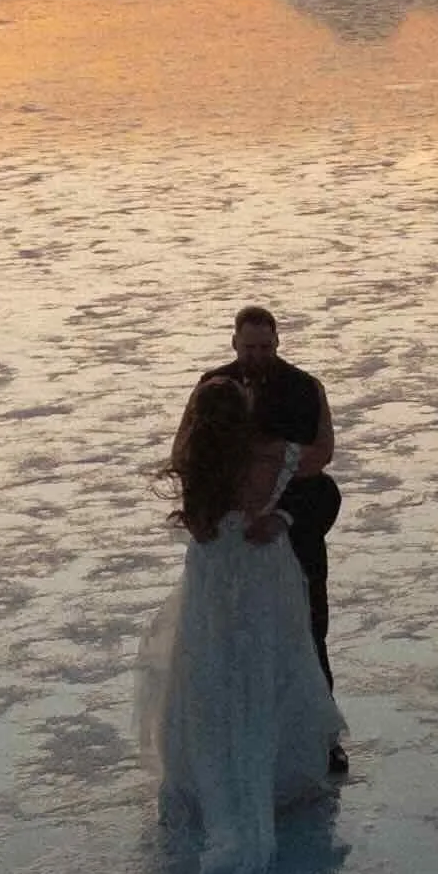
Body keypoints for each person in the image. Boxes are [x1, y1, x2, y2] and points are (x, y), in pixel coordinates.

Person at [135, 374, 348, 874]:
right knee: (268, 668)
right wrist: (319, 401)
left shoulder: (198, 467)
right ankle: (274, 775)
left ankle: (208, 777)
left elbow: (199, 524)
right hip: (261, 578)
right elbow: (321, 455)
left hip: (211, 581)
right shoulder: (272, 456)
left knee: (208, 675)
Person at [183, 306, 346, 770]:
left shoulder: (304, 387)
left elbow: (321, 457)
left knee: (307, 635)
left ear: (278, 343)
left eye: (265, 347)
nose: (257, 355)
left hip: (293, 537)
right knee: (225, 641)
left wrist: (272, 475)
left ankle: (319, 738)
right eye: (249, 347)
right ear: (234, 343)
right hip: (229, 542)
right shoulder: (212, 386)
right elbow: (189, 451)